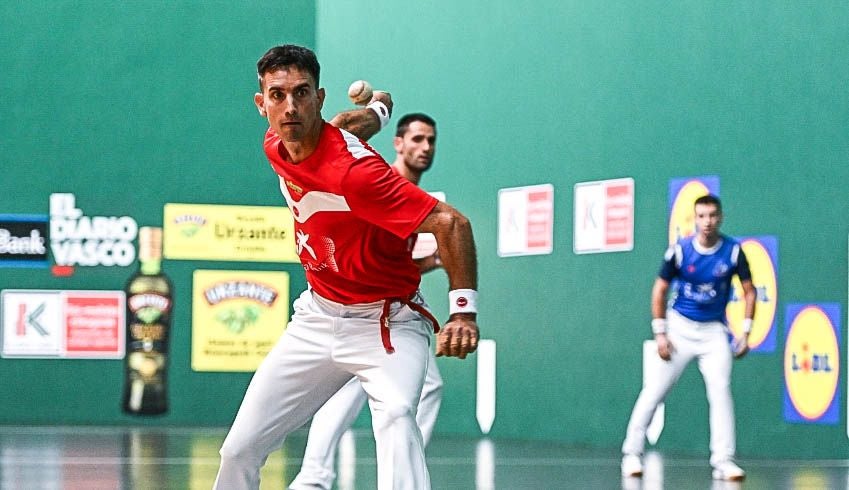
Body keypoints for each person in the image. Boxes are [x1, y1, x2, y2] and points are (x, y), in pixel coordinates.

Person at [213, 45, 479, 490]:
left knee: (397, 416)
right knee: (238, 449)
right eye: (277, 96)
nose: (290, 107)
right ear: (261, 105)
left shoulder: (358, 175)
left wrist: (464, 312)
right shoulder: (277, 142)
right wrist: (380, 107)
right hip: (317, 316)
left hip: (386, 322)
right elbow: (348, 124)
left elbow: (452, 223)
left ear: (318, 97)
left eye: (301, 94)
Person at [289, 113, 444, 490]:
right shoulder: (382, 182)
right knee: (359, 390)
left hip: (386, 309)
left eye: (430, 141)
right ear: (398, 143)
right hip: (357, 311)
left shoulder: (411, 192)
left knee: (400, 389)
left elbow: (386, 262)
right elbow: (362, 258)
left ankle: (319, 476)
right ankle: (316, 477)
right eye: (417, 140)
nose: (425, 148)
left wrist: (430, 262)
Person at [620, 194, 755, 482]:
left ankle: (724, 461)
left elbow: (749, 290)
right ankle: (632, 453)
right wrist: (661, 333)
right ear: (694, 219)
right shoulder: (679, 252)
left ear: (720, 218)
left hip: (714, 332)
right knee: (655, 390)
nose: (707, 222)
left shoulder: (733, 252)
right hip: (680, 328)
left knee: (721, 391)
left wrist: (745, 330)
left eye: (712, 216)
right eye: (702, 216)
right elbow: (659, 290)